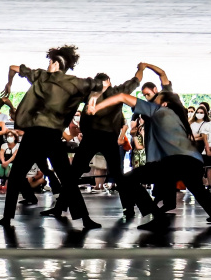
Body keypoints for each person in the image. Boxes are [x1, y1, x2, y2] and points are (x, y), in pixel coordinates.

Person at [0, 45, 109, 229]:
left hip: (34, 133)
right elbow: (101, 85)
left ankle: (7, 217)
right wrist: (93, 99)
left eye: (50, 61)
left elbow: (12, 68)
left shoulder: (41, 76)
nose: (48, 64)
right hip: (53, 135)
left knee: (16, 175)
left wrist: (9, 84)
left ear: (56, 64)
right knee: (67, 179)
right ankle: (85, 219)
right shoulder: (77, 82)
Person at [88, 90, 211, 229]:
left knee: (127, 179)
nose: (152, 101)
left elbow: (122, 96)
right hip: (193, 161)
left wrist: (96, 106)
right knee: (198, 190)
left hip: (176, 161)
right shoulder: (177, 116)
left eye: (156, 99)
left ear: (164, 103)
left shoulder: (159, 110)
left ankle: (157, 217)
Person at [42, 63, 148, 221]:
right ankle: (128, 207)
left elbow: (68, 97)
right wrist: (141, 68)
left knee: (74, 174)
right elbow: (136, 80)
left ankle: (60, 207)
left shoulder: (89, 94)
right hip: (105, 138)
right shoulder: (114, 91)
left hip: (92, 138)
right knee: (117, 174)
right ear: (109, 81)